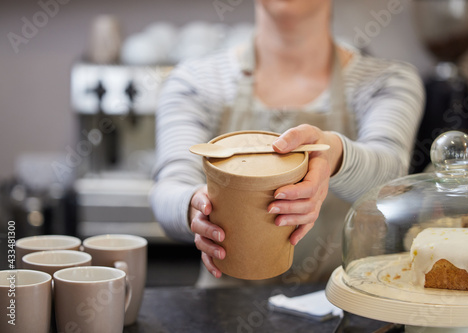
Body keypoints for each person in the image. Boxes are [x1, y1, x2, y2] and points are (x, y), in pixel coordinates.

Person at [150, 0, 424, 288]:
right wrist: (195, 208)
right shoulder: (196, 81)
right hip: (225, 310)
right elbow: (169, 188)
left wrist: (332, 155)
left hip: (342, 305)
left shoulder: (387, 81)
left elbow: (390, 175)